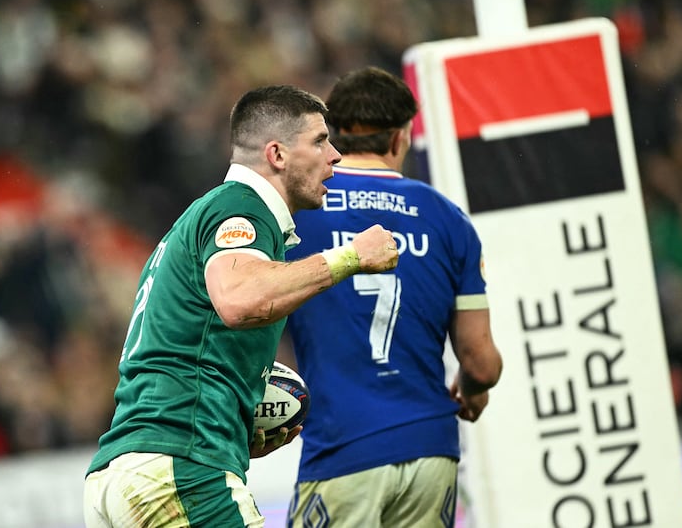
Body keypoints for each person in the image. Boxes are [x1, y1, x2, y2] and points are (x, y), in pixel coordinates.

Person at [82, 84, 400, 528]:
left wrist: (237, 414)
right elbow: (240, 299)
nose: (336, 156)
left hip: (127, 470)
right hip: (182, 467)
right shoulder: (241, 207)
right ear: (277, 154)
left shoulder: (199, 221)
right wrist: (349, 257)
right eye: (320, 141)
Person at [285, 67, 503, 528]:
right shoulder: (448, 220)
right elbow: (481, 363)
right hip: (431, 448)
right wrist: (473, 387)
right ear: (401, 138)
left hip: (344, 445)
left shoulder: (300, 209)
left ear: (333, 137)